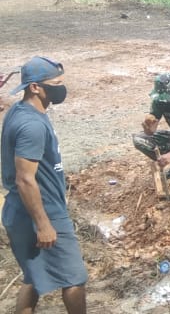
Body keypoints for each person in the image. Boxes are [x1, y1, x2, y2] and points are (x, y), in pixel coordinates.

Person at [1, 56, 88, 314]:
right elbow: (25, 178)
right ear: (34, 87)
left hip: (19, 211)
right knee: (74, 278)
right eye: (55, 83)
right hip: (42, 212)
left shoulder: (20, 111)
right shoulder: (32, 125)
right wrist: (44, 224)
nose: (61, 88)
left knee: (34, 278)